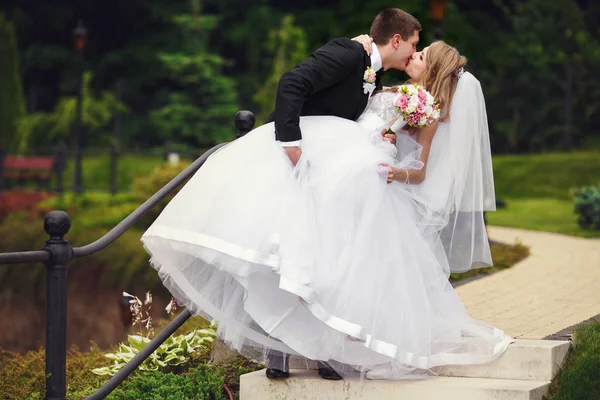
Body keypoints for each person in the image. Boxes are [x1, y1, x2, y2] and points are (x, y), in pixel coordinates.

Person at [141, 28, 513, 383]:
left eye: (421, 54)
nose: (414, 55)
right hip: (328, 172)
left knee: (331, 268)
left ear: (431, 69)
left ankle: (330, 352)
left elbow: (417, 167)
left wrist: (395, 167)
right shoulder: (383, 85)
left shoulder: (425, 110)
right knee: (297, 251)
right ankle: (285, 350)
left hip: (360, 186)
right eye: (415, 48)